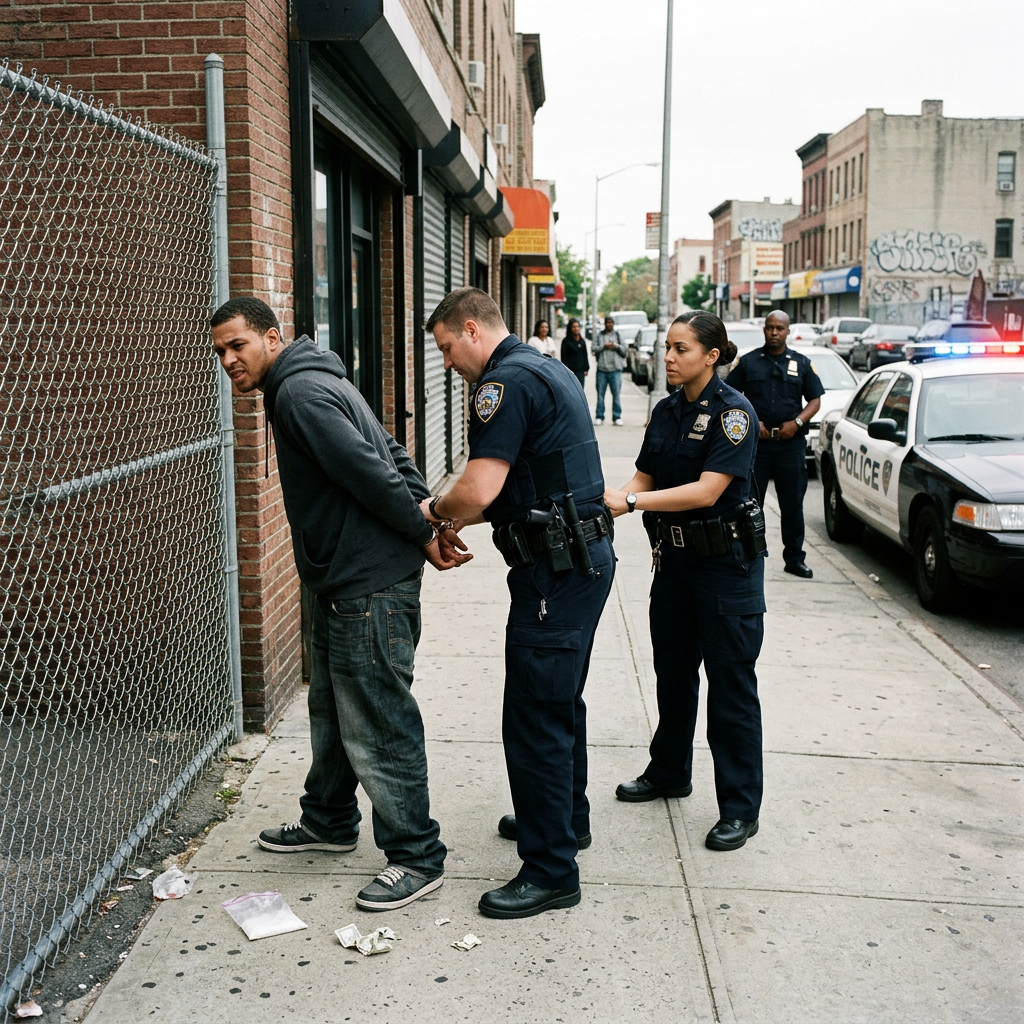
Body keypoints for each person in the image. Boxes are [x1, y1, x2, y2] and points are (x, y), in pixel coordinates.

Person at [211, 296, 470, 912]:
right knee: (331, 711)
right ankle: (328, 818)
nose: (228, 361)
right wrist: (424, 520)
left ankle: (416, 855)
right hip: (345, 581)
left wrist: (420, 531)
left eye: (238, 345)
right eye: (220, 351)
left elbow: (369, 471)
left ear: (273, 338)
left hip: (368, 585)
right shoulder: (318, 380)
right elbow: (395, 451)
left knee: (378, 721)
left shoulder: (300, 394)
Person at [421, 287, 615, 918]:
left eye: (448, 349)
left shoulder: (500, 385)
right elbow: (523, 489)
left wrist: (430, 514)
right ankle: (568, 820)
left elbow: (479, 487)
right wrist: (465, 521)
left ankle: (551, 869)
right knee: (561, 702)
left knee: (534, 716)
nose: (447, 364)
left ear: (472, 330)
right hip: (576, 559)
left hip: (554, 574)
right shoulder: (547, 366)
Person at [606, 311, 767, 852]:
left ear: (712, 355)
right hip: (673, 565)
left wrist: (630, 503)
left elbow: (705, 491)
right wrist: (617, 497)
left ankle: (740, 809)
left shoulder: (733, 414)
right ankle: (669, 771)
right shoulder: (667, 410)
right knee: (673, 676)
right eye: (667, 348)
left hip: (726, 569)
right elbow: (647, 473)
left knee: (731, 691)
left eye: (680, 349)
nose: (669, 357)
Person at [726, 309, 823, 578]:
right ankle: (749, 556)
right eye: (770, 328)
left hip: (790, 444)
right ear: (764, 329)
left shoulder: (801, 363)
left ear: (788, 331)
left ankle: (794, 558)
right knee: (748, 503)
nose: (774, 333)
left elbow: (815, 400)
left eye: (780, 328)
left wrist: (798, 423)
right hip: (757, 445)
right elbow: (729, 393)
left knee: (792, 505)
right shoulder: (749, 362)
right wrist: (751, 421)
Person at [591, 315, 627, 425]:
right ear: (605, 324)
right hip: (602, 369)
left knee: (616, 395)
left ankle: (617, 417)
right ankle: (599, 416)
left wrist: (615, 346)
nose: (609, 324)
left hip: (615, 369)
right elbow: (593, 348)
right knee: (600, 395)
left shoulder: (618, 335)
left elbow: (625, 350)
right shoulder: (599, 335)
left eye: (611, 322)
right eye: (607, 322)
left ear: (613, 324)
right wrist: (604, 346)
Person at [560, 317, 590, 388]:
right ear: (570, 328)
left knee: (580, 391)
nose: (576, 328)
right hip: (570, 372)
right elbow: (563, 357)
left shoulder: (582, 341)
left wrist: (586, 368)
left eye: (577, 326)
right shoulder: (566, 341)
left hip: (580, 372)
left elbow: (585, 355)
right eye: (574, 327)